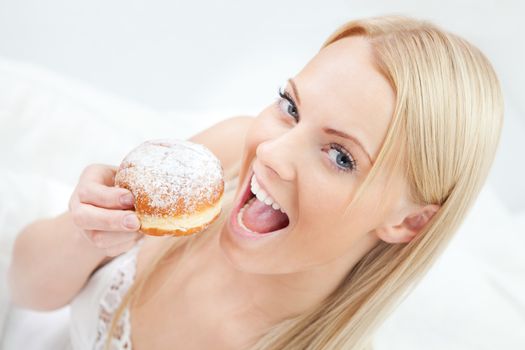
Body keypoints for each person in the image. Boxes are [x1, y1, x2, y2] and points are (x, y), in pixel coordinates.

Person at [7, 14, 503, 350]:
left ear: (409, 220)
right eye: (290, 107)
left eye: (340, 156)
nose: (269, 151)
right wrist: (85, 233)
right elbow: (25, 289)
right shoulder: (223, 155)